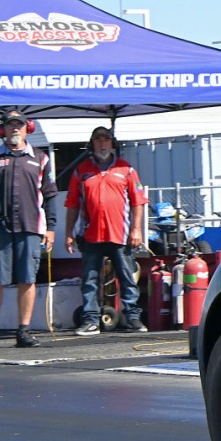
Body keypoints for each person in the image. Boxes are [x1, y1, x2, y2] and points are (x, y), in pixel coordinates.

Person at [0, 110, 56, 349]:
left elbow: (50, 195)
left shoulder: (41, 158)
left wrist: (51, 228)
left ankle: (24, 330)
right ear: (2, 130)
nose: (15, 129)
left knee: (27, 279)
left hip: (30, 227)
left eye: (19, 125)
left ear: (27, 128)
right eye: (10, 125)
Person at [63, 125, 149, 335]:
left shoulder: (126, 169)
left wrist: (136, 229)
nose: (102, 144)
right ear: (92, 144)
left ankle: (133, 318)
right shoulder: (81, 171)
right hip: (90, 234)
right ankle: (90, 320)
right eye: (98, 140)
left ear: (112, 144)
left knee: (127, 278)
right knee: (90, 280)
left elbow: (138, 201)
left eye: (106, 140)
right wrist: (68, 233)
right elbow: (72, 204)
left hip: (120, 234)